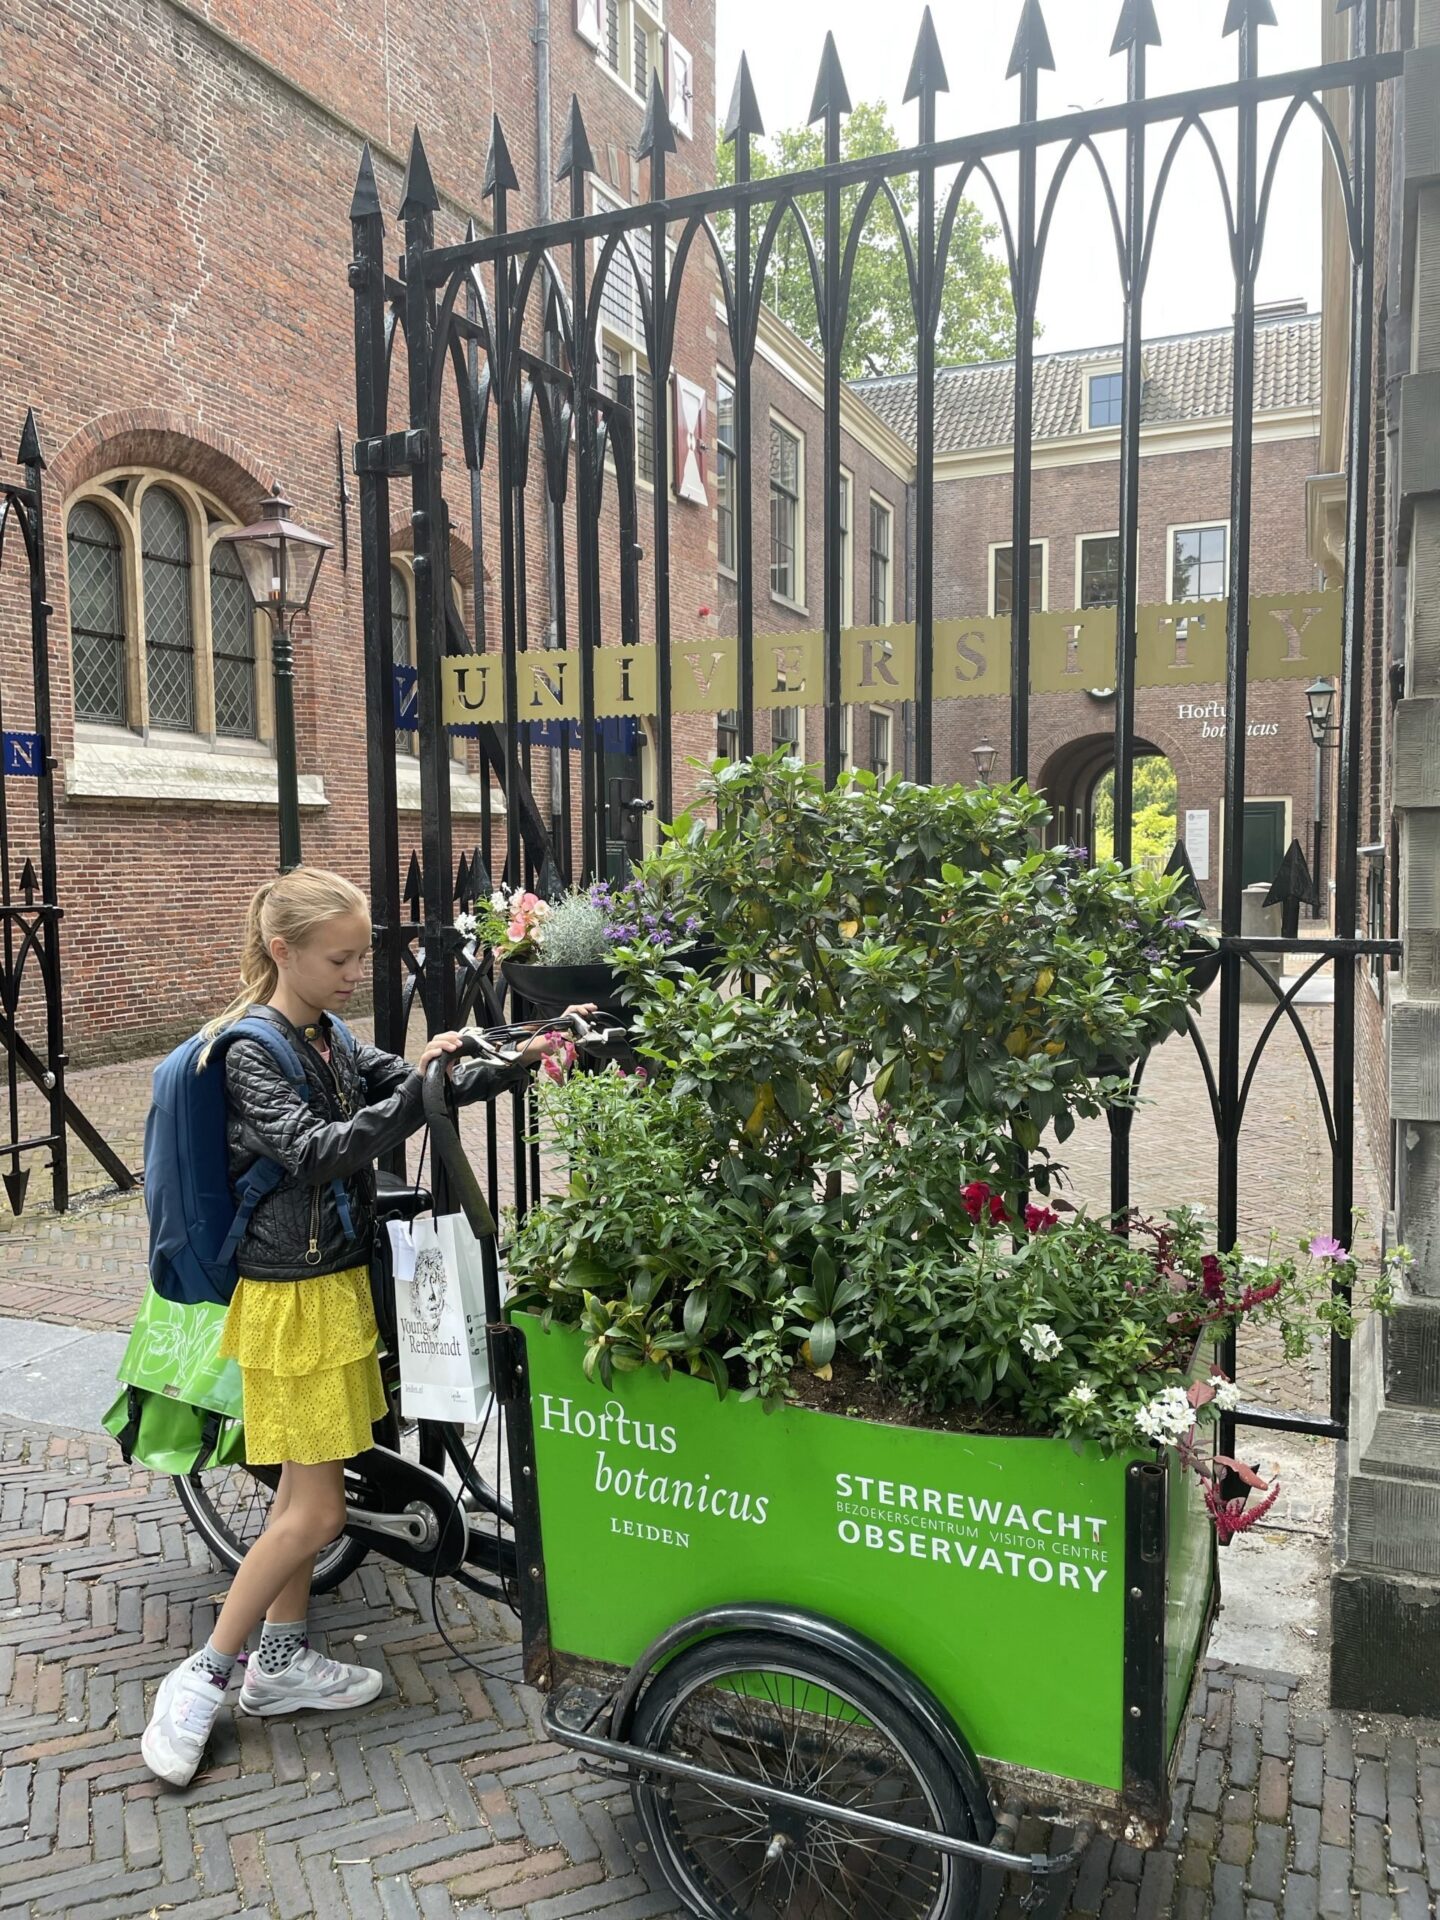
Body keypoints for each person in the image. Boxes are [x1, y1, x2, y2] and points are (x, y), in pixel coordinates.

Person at [142, 866, 577, 1788]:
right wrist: (418, 1089)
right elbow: (307, 1150)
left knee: (313, 1488)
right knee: (316, 1510)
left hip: (335, 1288)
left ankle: (283, 1660)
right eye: (338, 959)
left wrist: (517, 1054)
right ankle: (199, 1678)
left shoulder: (328, 1035)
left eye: (358, 956)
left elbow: (413, 1086)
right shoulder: (252, 1050)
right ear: (282, 951)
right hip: (290, 1302)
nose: (355, 974)